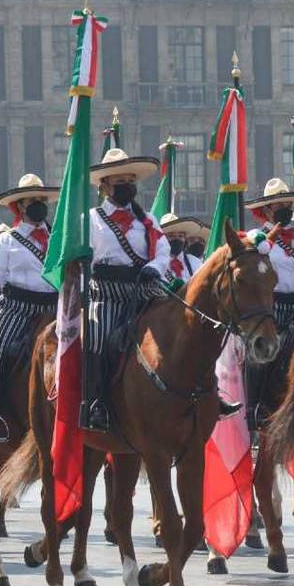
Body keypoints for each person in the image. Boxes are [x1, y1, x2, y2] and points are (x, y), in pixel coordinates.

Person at [83, 149, 170, 432]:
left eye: (130, 180)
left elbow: (164, 251)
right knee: (96, 337)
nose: (126, 187)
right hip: (106, 293)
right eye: (119, 181)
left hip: (144, 289)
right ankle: (97, 403)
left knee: (180, 327)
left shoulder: (148, 220)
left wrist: (154, 268)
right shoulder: (91, 220)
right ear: (105, 186)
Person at [0, 174, 58, 443]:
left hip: (53, 308)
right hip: (16, 308)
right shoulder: (8, 240)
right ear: (19, 207)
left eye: (42, 200)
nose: (39, 205)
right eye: (33, 201)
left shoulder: (58, 237)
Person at [243, 178, 294, 429]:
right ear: (266, 211)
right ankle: (255, 409)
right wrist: (266, 240)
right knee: (259, 352)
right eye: (278, 205)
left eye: (288, 204)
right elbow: (254, 250)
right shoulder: (257, 236)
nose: (285, 209)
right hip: (272, 309)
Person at [160, 213, 209, 283]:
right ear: (163, 239)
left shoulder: (195, 262)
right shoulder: (155, 263)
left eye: (180, 236)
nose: (177, 239)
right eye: (171, 236)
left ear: (185, 239)